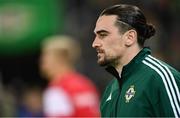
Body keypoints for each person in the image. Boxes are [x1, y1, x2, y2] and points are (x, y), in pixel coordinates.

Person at [92, 4, 180, 117]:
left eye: (103, 35)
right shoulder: (110, 91)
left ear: (130, 37)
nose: (94, 44)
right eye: (95, 36)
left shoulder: (159, 78)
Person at [40, 35, 100, 117]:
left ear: (60, 59)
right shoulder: (86, 84)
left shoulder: (56, 90)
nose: (42, 63)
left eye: (45, 58)